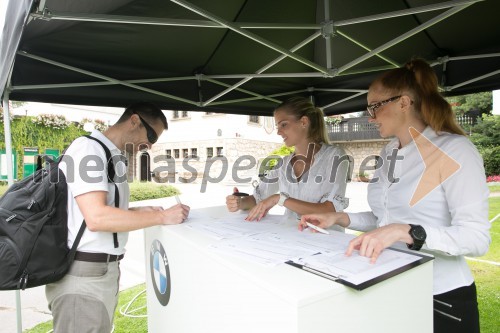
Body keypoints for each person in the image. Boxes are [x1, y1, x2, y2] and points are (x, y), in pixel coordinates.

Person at [299, 59, 490, 333]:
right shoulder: (389, 152)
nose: (370, 116)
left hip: (442, 298)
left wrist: (408, 232)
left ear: (404, 103)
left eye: (375, 107)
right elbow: (384, 221)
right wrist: (339, 218)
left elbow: (476, 238)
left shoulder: (455, 150)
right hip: (393, 286)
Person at [45, 102, 190, 333]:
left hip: (100, 272)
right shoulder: (89, 150)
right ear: (134, 121)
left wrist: (138, 212)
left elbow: (94, 213)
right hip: (83, 275)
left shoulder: (111, 156)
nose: (149, 146)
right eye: (150, 135)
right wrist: (161, 217)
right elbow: (97, 218)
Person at [226, 96, 349, 223]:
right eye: (277, 126)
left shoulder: (335, 156)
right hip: (292, 237)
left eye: (283, 124)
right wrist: (239, 202)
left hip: (326, 239)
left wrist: (280, 199)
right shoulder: (283, 164)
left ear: (304, 122)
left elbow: (330, 210)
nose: (278, 132)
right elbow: (259, 198)